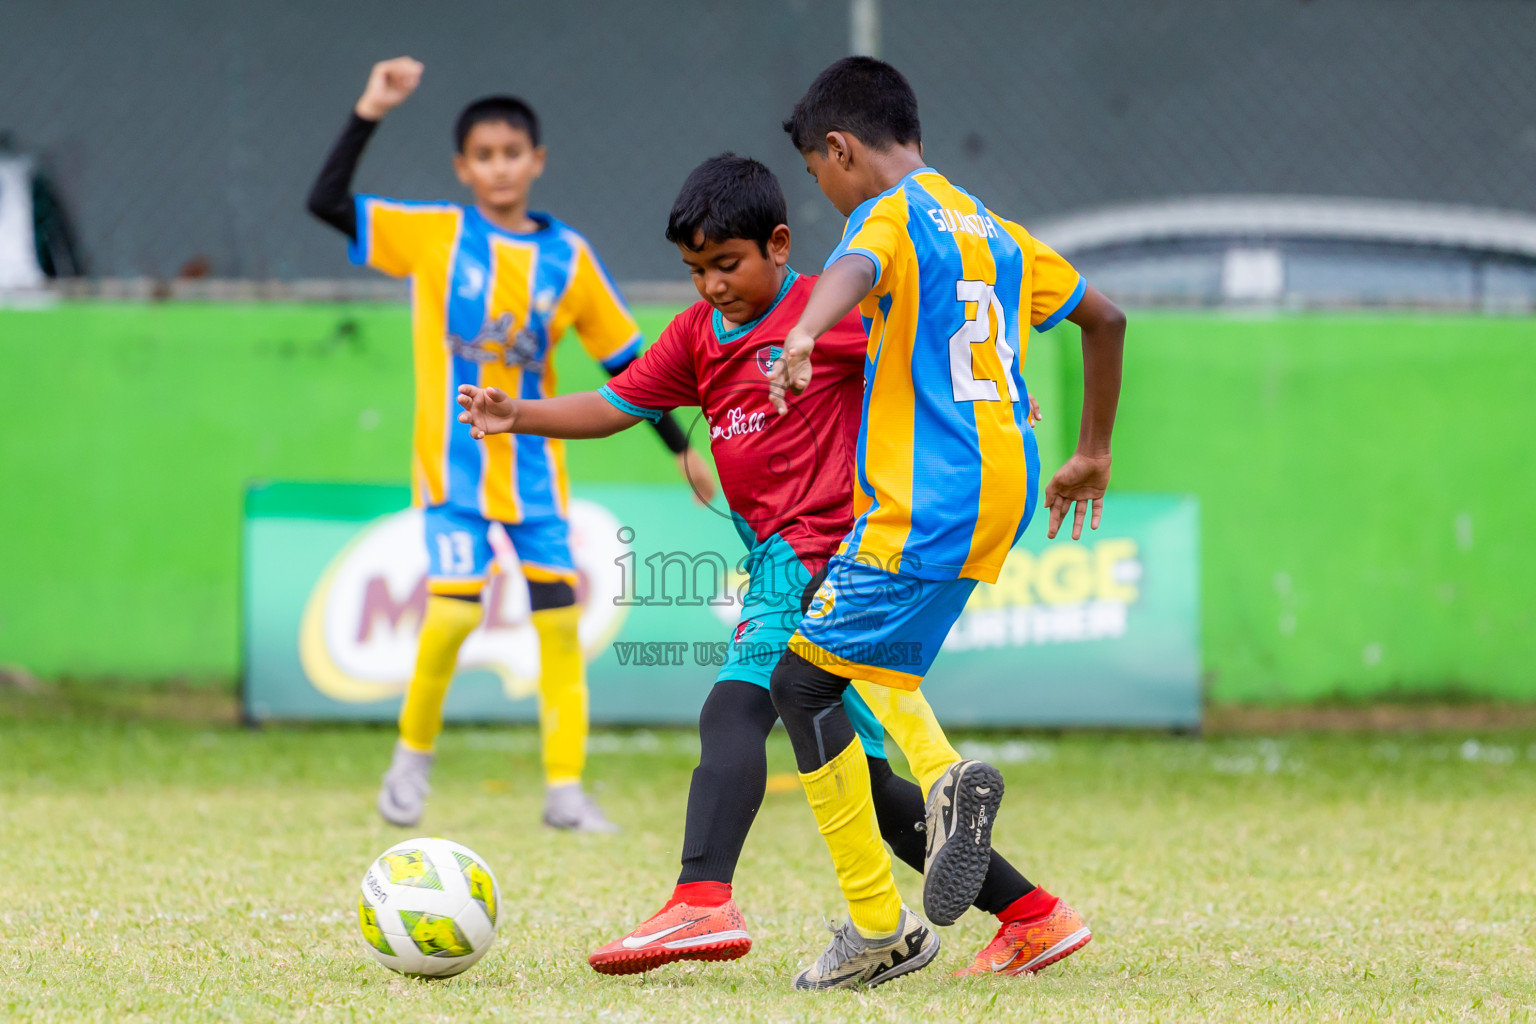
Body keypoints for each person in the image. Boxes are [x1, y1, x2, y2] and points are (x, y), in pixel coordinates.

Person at [456, 153, 1087, 981]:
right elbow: (615, 407)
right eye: (695, 269)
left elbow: (934, 351)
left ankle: (701, 897)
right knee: (858, 775)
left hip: (823, 550)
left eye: (727, 264)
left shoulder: (830, 307)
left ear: (780, 246)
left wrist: (1006, 395)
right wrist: (521, 413)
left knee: (733, 710)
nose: (711, 285)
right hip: (781, 557)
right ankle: (1033, 916)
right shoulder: (692, 337)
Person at [758, 57, 1127, 989]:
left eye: (816, 175)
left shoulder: (885, 215)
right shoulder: (994, 228)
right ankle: (1015, 912)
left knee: (801, 686)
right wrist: (1094, 453)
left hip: (928, 495)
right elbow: (1107, 318)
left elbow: (853, 266)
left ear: (839, 149)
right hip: (1003, 480)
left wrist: (802, 334)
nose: (824, 194)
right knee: (858, 671)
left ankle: (883, 921)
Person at [305, 57, 712, 832]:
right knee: (453, 618)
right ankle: (411, 761)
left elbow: (630, 367)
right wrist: (369, 109)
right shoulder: (434, 237)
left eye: (511, 153)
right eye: (484, 156)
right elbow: (325, 202)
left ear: (537, 161)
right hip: (451, 476)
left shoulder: (570, 260)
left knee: (558, 627)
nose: (499, 167)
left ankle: (564, 792)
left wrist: (679, 448)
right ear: (463, 168)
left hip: (534, 481)